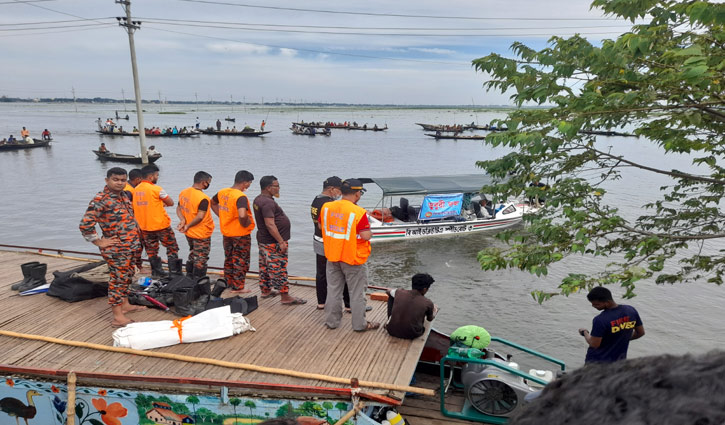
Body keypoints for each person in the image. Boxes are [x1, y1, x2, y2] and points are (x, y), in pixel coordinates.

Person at [507, 351, 725, 425]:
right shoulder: (628, 312)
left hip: (600, 370)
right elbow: (639, 332)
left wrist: (586, 335)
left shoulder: (602, 321)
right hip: (620, 367)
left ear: (599, 302)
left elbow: (595, 342)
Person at [79, 167, 144, 327]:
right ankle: (117, 316)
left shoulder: (123, 196)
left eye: (123, 180)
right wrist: (99, 241)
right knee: (118, 279)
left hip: (130, 247)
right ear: (107, 180)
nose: (120, 183)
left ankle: (125, 304)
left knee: (127, 275)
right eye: (116, 179)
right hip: (116, 249)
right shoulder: (101, 199)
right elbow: (85, 224)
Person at [321, 179, 378, 331]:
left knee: (333, 290)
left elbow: (322, 225)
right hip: (353, 258)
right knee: (357, 293)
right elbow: (366, 236)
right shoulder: (359, 212)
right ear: (358, 193)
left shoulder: (327, 207)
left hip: (332, 255)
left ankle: (332, 322)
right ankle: (360, 325)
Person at [253, 176, 305, 304]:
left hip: (264, 240)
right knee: (279, 269)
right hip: (273, 242)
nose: (278, 188)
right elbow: (270, 224)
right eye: (276, 186)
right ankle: (285, 296)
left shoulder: (259, 199)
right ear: (268, 187)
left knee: (265, 266)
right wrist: (281, 241)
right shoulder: (267, 203)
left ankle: (266, 290)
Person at [310, 176, 351, 311]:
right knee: (342, 273)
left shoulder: (316, 200)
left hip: (318, 239)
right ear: (332, 189)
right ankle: (348, 305)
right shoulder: (328, 204)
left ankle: (321, 302)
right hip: (329, 243)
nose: (340, 194)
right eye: (339, 190)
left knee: (321, 273)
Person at [211, 170, 256, 293]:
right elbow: (242, 214)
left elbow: (212, 202)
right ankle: (238, 287)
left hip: (227, 233)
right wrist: (245, 223)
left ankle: (228, 282)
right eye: (249, 183)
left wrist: (222, 216)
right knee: (241, 260)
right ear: (245, 183)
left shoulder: (223, 192)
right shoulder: (240, 196)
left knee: (229, 258)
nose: (249, 186)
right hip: (240, 234)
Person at [132, 164, 180, 277]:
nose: (157, 177)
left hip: (144, 226)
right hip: (161, 225)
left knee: (151, 250)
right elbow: (170, 202)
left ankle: (157, 272)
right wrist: (162, 203)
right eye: (157, 175)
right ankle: (174, 273)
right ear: (151, 176)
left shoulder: (136, 190)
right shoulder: (157, 189)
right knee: (172, 247)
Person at [578, 286, 645, 364]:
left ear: (607, 302)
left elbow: (594, 344)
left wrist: (585, 332)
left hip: (596, 363)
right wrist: (620, 340)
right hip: (619, 362)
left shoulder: (600, 320)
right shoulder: (631, 311)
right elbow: (640, 333)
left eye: (596, 304)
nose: (593, 306)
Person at [177, 171, 214, 278]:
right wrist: (187, 225)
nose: (208, 185)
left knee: (193, 253)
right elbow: (200, 216)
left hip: (189, 232)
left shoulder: (184, 192)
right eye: (208, 182)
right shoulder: (203, 198)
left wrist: (183, 220)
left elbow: (179, 208)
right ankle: (198, 281)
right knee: (201, 258)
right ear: (203, 182)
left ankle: (189, 277)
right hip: (201, 232)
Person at [385, 273, 438, 339]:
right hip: (413, 334)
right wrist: (435, 311)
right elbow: (430, 319)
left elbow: (387, 291)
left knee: (391, 296)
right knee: (425, 310)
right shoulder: (428, 302)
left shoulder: (399, 292)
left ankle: (390, 321)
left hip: (391, 330)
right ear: (425, 289)